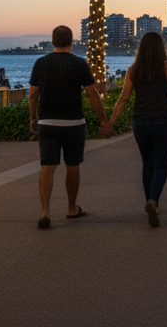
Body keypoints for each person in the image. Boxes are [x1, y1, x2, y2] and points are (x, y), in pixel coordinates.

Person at [105, 31, 167, 228]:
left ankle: (152, 203)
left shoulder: (133, 70)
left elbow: (124, 99)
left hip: (140, 123)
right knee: (161, 166)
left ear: (141, 49)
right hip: (162, 122)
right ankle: (153, 201)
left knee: (147, 165)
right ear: (161, 48)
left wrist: (111, 123)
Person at [27, 25, 105, 229]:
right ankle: (71, 208)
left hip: (47, 122)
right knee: (72, 165)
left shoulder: (41, 63)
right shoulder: (80, 64)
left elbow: (33, 94)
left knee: (47, 166)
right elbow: (92, 94)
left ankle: (45, 212)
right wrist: (103, 120)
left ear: (53, 41)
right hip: (73, 123)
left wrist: (33, 118)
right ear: (71, 42)